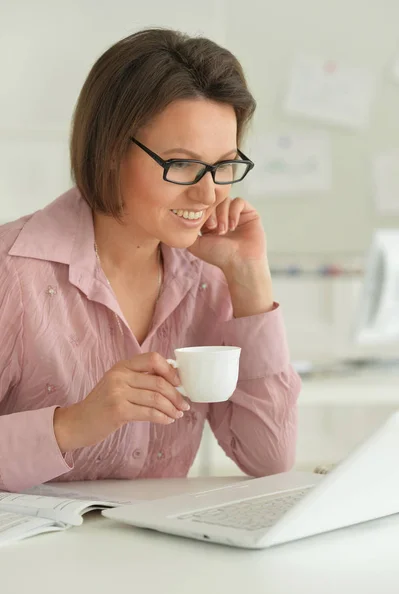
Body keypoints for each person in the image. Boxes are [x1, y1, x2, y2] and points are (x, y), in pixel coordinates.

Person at [0, 28, 300, 493]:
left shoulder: (209, 278)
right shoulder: (12, 271)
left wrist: (249, 279)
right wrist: (73, 425)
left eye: (223, 165)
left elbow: (269, 457)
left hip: (158, 560)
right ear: (112, 151)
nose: (208, 193)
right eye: (181, 163)